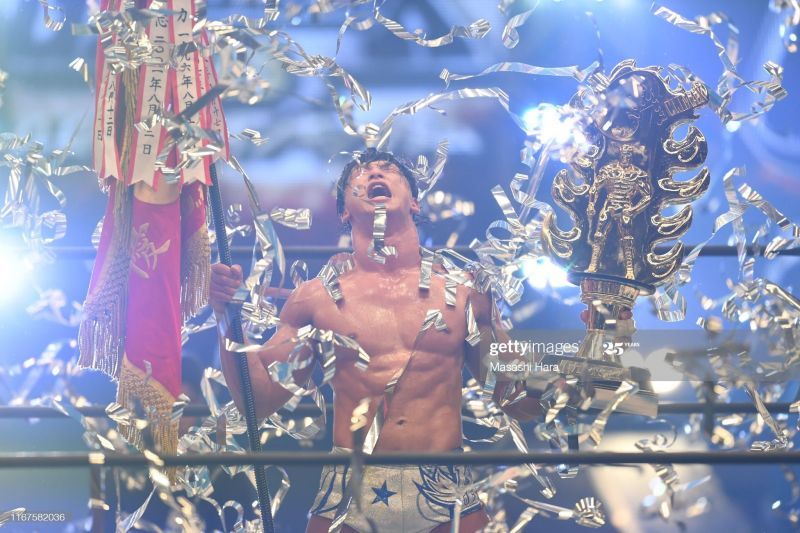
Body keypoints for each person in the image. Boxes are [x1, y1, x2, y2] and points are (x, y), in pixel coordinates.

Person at [210, 149, 548, 532]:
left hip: (445, 485)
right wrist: (226, 318)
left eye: (387, 170)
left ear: (415, 201)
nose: (373, 173)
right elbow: (261, 399)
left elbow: (519, 401)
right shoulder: (315, 298)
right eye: (360, 173)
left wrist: (595, 350)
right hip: (351, 488)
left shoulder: (465, 293)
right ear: (344, 211)